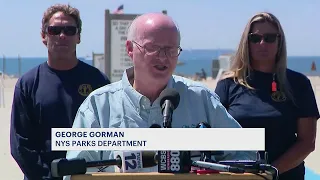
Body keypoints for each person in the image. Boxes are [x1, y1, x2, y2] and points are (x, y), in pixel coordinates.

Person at [65, 12, 257, 174]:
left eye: (171, 49)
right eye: (153, 48)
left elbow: (246, 154)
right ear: (130, 49)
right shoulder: (98, 107)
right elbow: (76, 172)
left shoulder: (201, 99)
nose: (163, 57)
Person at [10, 4, 111, 180]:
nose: (62, 36)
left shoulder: (98, 82)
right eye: (54, 30)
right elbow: (21, 145)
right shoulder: (28, 84)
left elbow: (109, 136)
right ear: (44, 36)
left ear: (78, 37)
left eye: (69, 30)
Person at [215, 12, 318, 180]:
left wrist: (270, 172)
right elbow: (214, 137)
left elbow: (307, 143)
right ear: (246, 43)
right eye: (255, 38)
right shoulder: (228, 85)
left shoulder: (299, 84)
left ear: (279, 41)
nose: (262, 43)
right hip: (239, 177)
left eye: (270, 38)